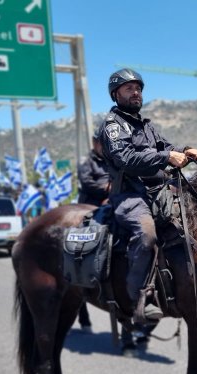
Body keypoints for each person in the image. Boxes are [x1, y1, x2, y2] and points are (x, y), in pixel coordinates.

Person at [98, 68, 197, 322]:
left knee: (193, 223)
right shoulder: (113, 126)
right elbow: (126, 158)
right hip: (130, 196)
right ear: (115, 94)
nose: (136, 92)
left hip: (158, 191)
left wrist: (185, 151)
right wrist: (166, 157)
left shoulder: (146, 125)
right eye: (129, 88)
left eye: (139, 88)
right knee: (147, 236)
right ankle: (139, 298)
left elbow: (166, 147)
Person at [73, 132, 112, 334]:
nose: (104, 146)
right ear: (94, 143)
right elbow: (88, 183)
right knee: (86, 246)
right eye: (101, 142)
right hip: (90, 206)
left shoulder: (112, 159)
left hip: (111, 204)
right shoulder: (86, 162)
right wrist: (108, 188)